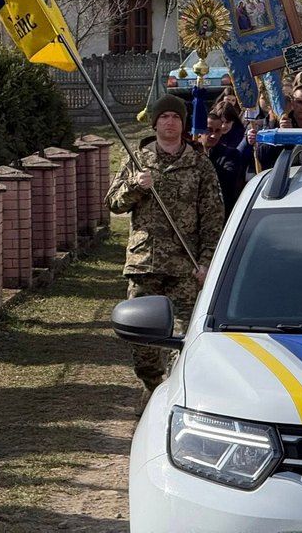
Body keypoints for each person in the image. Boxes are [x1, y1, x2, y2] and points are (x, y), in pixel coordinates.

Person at [106, 94, 225, 407]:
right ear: (155, 122)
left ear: (183, 124)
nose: (170, 122)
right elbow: (114, 203)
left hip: (186, 266)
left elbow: (214, 219)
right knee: (142, 341)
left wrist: (206, 264)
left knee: (187, 339)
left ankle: (177, 395)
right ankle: (152, 386)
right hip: (146, 263)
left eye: (176, 117)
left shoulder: (199, 164)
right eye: (164, 117)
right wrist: (136, 185)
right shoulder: (137, 159)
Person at [201, 109, 246, 215]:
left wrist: (203, 159)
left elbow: (227, 180)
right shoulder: (189, 153)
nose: (213, 135)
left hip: (220, 213)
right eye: (209, 130)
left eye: (217, 131)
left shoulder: (231, 155)